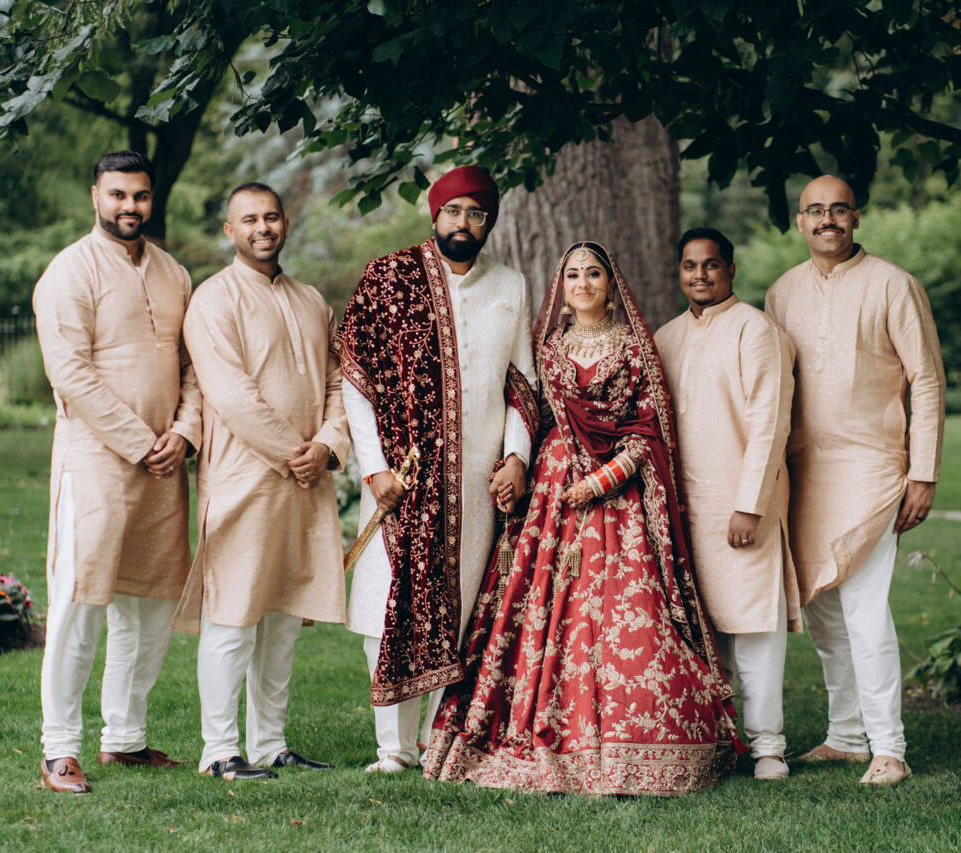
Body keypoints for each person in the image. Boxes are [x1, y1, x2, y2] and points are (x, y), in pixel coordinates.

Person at [421, 241, 742, 796]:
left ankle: (635, 743)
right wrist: (517, 467)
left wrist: (602, 480)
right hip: (552, 494)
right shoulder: (548, 348)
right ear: (562, 288)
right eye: (573, 275)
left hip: (619, 499)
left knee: (628, 614)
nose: (584, 283)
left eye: (594, 273)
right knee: (538, 611)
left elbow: (649, 430)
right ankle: (537, 735)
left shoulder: (634, 347)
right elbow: (532, 414)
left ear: (611, 284)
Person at [335, 165, 538, 774]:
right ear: (435, 214)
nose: (464, 223)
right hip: (403, 481)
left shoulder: (511, 284)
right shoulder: (389, 278)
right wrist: (374, 471)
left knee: (461, 610)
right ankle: (391, 748)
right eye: (454, 211)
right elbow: (356, 383)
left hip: (476, 483)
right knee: (387, 606)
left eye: (477, 213)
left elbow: (522, 384)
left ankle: (435, 739)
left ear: (489, 222)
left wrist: (517, 457)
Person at [764, 176, 945, 787]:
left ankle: (889, 747)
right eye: (815, 210)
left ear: (856, 217)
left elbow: (927, 380)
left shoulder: (894, 284)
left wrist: (923, 471)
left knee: (865, 610)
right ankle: (844, 737)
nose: (827, 220)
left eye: (838, 209)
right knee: (824, 615)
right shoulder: (782, 292)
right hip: (805, 470)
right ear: (800, 222)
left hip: (873, 466)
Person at [33, 150, 202, 793]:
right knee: (81, 602)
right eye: (118, 195)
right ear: (95, 197)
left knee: (150, 605)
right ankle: (58, 750)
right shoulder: (69, 271)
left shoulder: (173, 272)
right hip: (97, 461)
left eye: (140, 195)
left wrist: (183, 432)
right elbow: (70, 374)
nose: (130, 206)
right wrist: (140, 441)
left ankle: (125, 739)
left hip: (165, 464)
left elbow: (193, 366)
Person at [174, 183, 350, 781]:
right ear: (230, 231)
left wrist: (328, 445)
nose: (262, 228)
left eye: (271, 216)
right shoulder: (213, 300)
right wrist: (295, 452)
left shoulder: (311, 300)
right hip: (244, 479)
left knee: (283, 618)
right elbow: (230, 395)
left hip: (305, 482)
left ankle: (271, 742)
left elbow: (338, 383)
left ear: (285, 223)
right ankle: (219, 751)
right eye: (248, 219)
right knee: (233, 614)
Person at [655, 227, 801, 781]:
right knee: (699, 629)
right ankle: (714, 739)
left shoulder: (755, 329)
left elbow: (770, 423)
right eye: (689, 265)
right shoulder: (667, 337)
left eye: (711, 264)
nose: (700, 275)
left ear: (730, 270)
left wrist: (751, 504)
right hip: (682, 508)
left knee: (754, 624)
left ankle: (768, 747)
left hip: (740, 506)